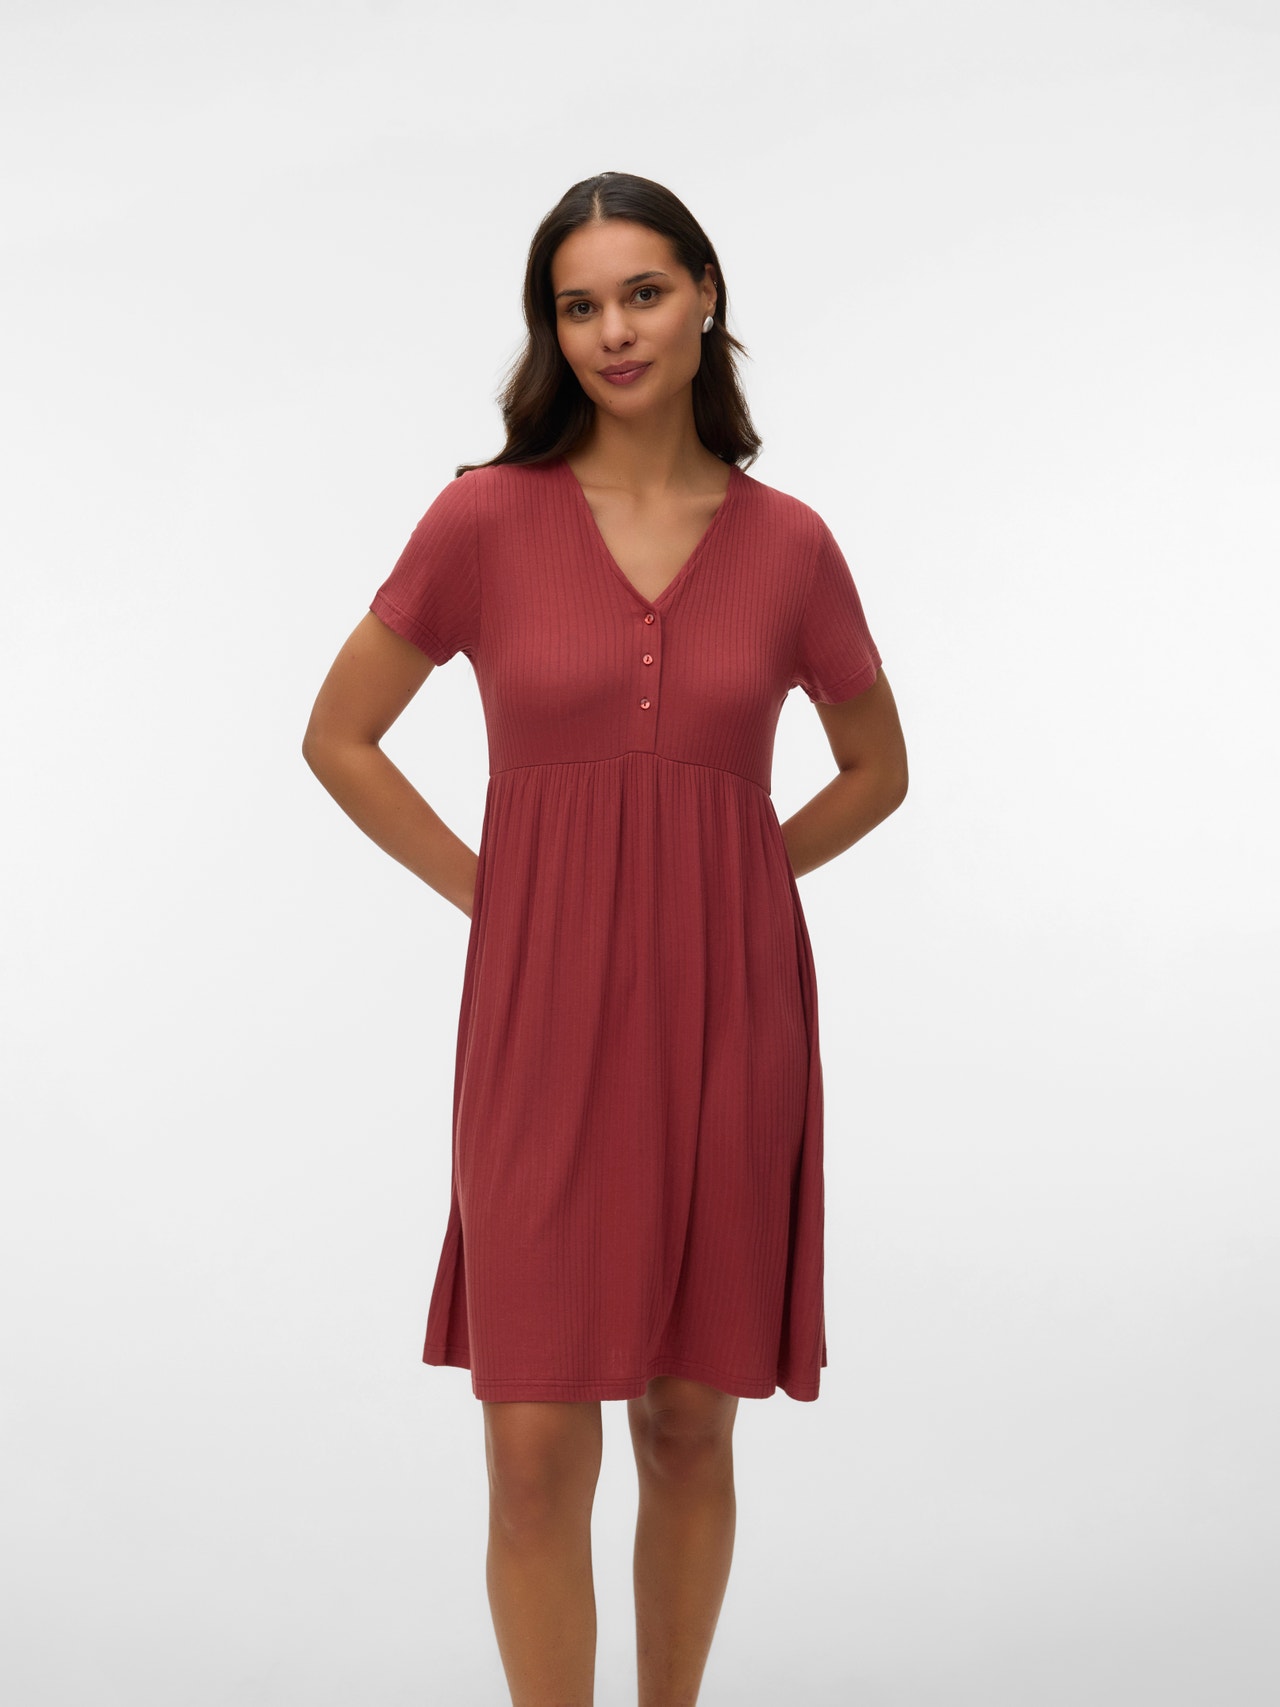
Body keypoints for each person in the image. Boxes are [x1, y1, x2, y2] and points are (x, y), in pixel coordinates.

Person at [302, 169, 909, 1707]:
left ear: (706, 297)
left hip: (732, 1019)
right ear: (551, 331)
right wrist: (495, 892)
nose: (614, 331)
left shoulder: (791, 545)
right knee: (530, 1439)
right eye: (578, 307)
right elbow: (340, 736)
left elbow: (877, 768)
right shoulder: (481, 519)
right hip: (542, 1017)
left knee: (689, 1423)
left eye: (642, 293)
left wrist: (740, 880)